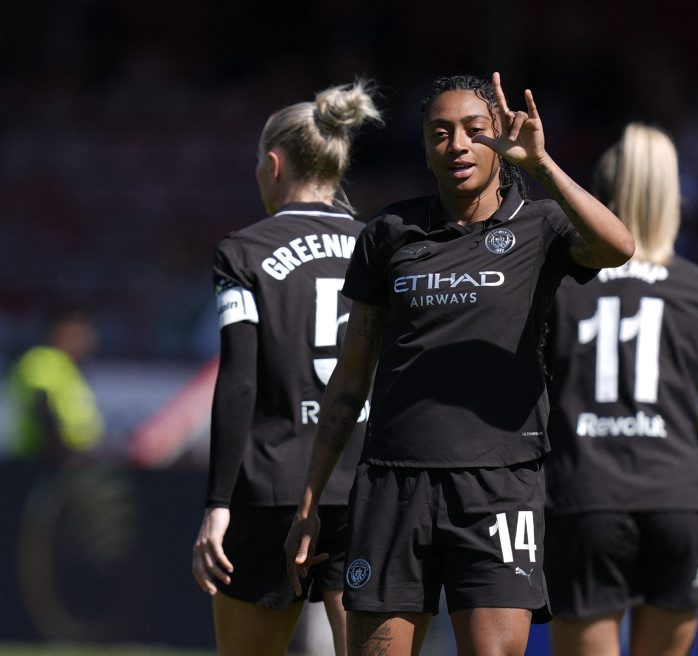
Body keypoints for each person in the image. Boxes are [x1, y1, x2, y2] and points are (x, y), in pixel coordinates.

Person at [283, 71, 635, 656]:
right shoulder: (389, 233)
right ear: (425, 147)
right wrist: (311, 499)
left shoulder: (539, 224)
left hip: (499, 483)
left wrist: (542, 165)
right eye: (440, 132)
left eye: (475, 130)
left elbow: (618, 246)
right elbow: (351, 377)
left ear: (500, 139)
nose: (458, 145)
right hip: (393, 483)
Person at [542, 123, 698, 656]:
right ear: (672, 202)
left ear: (602, 194)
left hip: (585, 499)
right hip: (678, 504)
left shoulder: (561, 285)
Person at [190, 81, 382, 656]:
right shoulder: (380, 247)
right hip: (363, 490)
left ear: (273, 165)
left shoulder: (243, 251)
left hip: (270, 488)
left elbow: (239, 380)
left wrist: (217, 504)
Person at [7, 309, 104, 462]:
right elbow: (40, 403)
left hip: (68, 459)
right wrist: (59, 448)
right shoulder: (43, 359)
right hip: (43, 458)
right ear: (58, 333)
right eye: (78, 335)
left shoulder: (69, 367)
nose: (85, 341)